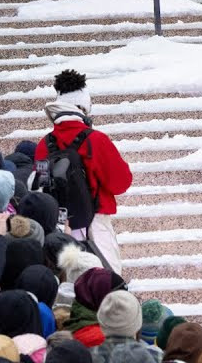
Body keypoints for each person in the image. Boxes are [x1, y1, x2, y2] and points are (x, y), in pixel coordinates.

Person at [33, 70, 131, 272]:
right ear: (84, 107)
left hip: (60, 224)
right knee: (104, 281)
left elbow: (40, 186)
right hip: (95, 221)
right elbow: (121, 182)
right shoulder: (96, 140)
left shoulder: (44, 144)